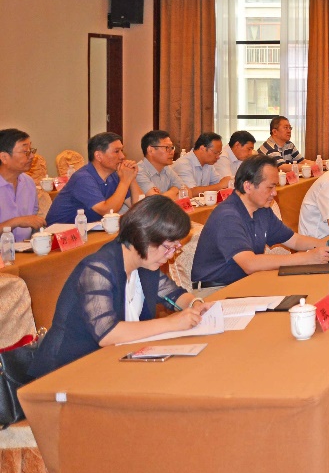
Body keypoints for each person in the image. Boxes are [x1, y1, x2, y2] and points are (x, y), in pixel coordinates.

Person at [27, 196, 209, 379]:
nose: (170, 255)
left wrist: (195, 304)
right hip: (66, 372)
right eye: (168, 247)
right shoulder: (97, 269)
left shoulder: (145, 263)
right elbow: (107, 333)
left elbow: (174, 294)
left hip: (113, 363)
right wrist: (172, 323)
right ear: (143, 236)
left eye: (175, 248)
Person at [192, 155, 329, 289]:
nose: (274, 193)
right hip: (216, 289)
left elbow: (294, 240)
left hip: (248, 282)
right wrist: (306, 258)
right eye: (270, 187)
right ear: (248, 186)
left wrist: (326, 244)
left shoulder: (261, 210)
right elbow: (250, 264)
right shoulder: (227, 216)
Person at [46, 132, 142, 224]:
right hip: (61, 232)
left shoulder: (113, 175)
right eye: (116, 151)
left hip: (89, 230)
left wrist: (131, 178)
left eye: (122, 150)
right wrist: (125, 181)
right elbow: (107, 211)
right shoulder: (83, 178)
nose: (122, 156)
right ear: (98, 156)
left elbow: (140, 207)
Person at [0, 129, 44, 241]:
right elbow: (24, 220)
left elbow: (32, 220)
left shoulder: (28, 182)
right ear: (4, 157)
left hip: (24, 247)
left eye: (31, 150)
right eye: (25, 152)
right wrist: (16, 222)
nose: (32, 156)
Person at [171, 132, 232, 196]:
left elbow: (219, 183)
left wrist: (225, 183)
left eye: (219, 153)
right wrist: (220, 186)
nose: (218, 157)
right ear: (202, 148)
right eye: (215, 153)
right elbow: (191, 192)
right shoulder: (183, 164)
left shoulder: (208, 164)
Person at [134, 130, 184, 200]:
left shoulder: (166, 168)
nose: (172, 152)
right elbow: (156, 201)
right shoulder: (138, 171)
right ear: (151, 150)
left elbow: (186, 191)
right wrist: (175, 190)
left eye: (172, 148)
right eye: (167, 148)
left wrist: (170, 192)